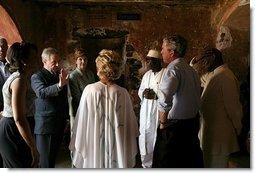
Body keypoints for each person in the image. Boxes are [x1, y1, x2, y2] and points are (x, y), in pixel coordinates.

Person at [69, 49, 139, 168]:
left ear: (99, 69)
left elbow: (82, 123)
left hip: (94, 143)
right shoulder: (123, 93)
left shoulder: (89, 90)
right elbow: (130, 128)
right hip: (117, 143)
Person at [152, 34, 203, 168]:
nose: (161, 51)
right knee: (188, 163)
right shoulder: (191, 70)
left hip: (174, 128)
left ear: (172, 53)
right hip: (191, 125)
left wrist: (163, 123)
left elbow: (164, 97)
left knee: (168, 163)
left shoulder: (173, 69)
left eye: (163, 48)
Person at [191, 48, 243, 168]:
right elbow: (194, 76)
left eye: (204, 60)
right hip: (211, 138)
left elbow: (234, 109)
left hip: (219, 139)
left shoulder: (225, 77)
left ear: (213, 58)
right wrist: (195, 61)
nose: (203, 64)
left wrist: (238, 129)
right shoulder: (214, 75)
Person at [0, 42, 39, 167]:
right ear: (24, 61)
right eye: (34, 57)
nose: (37, 60)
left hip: (22, 127)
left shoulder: (24, 78)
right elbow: (19, 118)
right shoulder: (19, 81)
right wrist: (32, 146)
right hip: (14, 130)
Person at [31, 47, 69, 168]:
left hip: (59, 123)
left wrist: (66, 118)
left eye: (58, 61)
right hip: (45, 126)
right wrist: (59, 86)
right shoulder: (36, 76)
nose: (57, 65)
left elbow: (64, 99)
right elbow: (41, 93)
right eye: (54, 62)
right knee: (44, 162)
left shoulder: (59, 74)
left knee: (52, 160)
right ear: (44, 61)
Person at [138, 49, 165, 168]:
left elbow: (168, 95)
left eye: (151, 61)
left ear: (158, 62)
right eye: (148, 61)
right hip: (145, 111)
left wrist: (155, 95)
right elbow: (140, 91)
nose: (148, 64)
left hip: (156, 112)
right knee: (144, 137)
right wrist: (144, 93)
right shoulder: (147, 75)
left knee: (155, 138)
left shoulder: (165, 74)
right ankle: (145, 165)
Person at [68, 47, 95, 129]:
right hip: (79, 110)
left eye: (85, 59)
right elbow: (77, 97)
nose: (83, 62)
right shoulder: (73, 76)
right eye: (80, 59)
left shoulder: (90, 73)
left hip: (92, 109)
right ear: (76, 61)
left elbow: (95, 90)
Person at [0, 36, 11, 167]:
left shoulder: (11, 67)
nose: (1, 49)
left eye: (3, 46)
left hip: (9, 114)